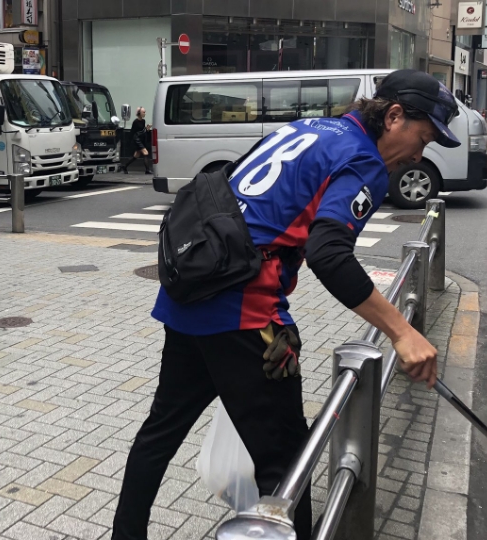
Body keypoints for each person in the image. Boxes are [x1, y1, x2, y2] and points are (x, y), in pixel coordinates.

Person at [111, 70, 456, 540]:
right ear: (394, 116)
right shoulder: (363, 160)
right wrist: (402, 331)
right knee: (288, 466)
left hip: (189, 292)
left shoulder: (303, 127)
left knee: (160, 433)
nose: (419, 155)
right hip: (246, 314)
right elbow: (329, 254)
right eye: (424, 138)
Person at [120, 107, 152, 174]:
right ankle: (147, 170)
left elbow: (142, 131)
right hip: (137, 140)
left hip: (141, 139)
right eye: (143, 112)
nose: (145, 114)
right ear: (139, 113)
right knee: (145, 152)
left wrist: (147, 129)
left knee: (136, 155)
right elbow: (132, 132)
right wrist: (130, 142)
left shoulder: (143, 121)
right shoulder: (135, 122)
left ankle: (124, 166)